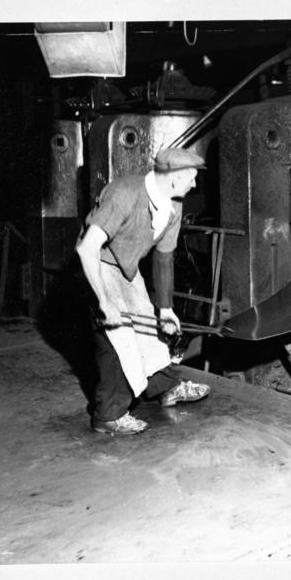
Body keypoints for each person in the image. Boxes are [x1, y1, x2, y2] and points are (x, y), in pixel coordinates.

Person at [75, 147, 211, 435]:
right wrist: (104, 302)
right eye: (191, 177)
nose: (194, 184)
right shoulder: (125, 193)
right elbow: (87, 249)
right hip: (96, 264)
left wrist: (165, 308)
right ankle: (108, 415)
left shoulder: (173, 205)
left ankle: (166, 388)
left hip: (126, 266)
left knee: (148, 330)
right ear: (174, 177)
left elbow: (163, 258)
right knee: (117, 337)